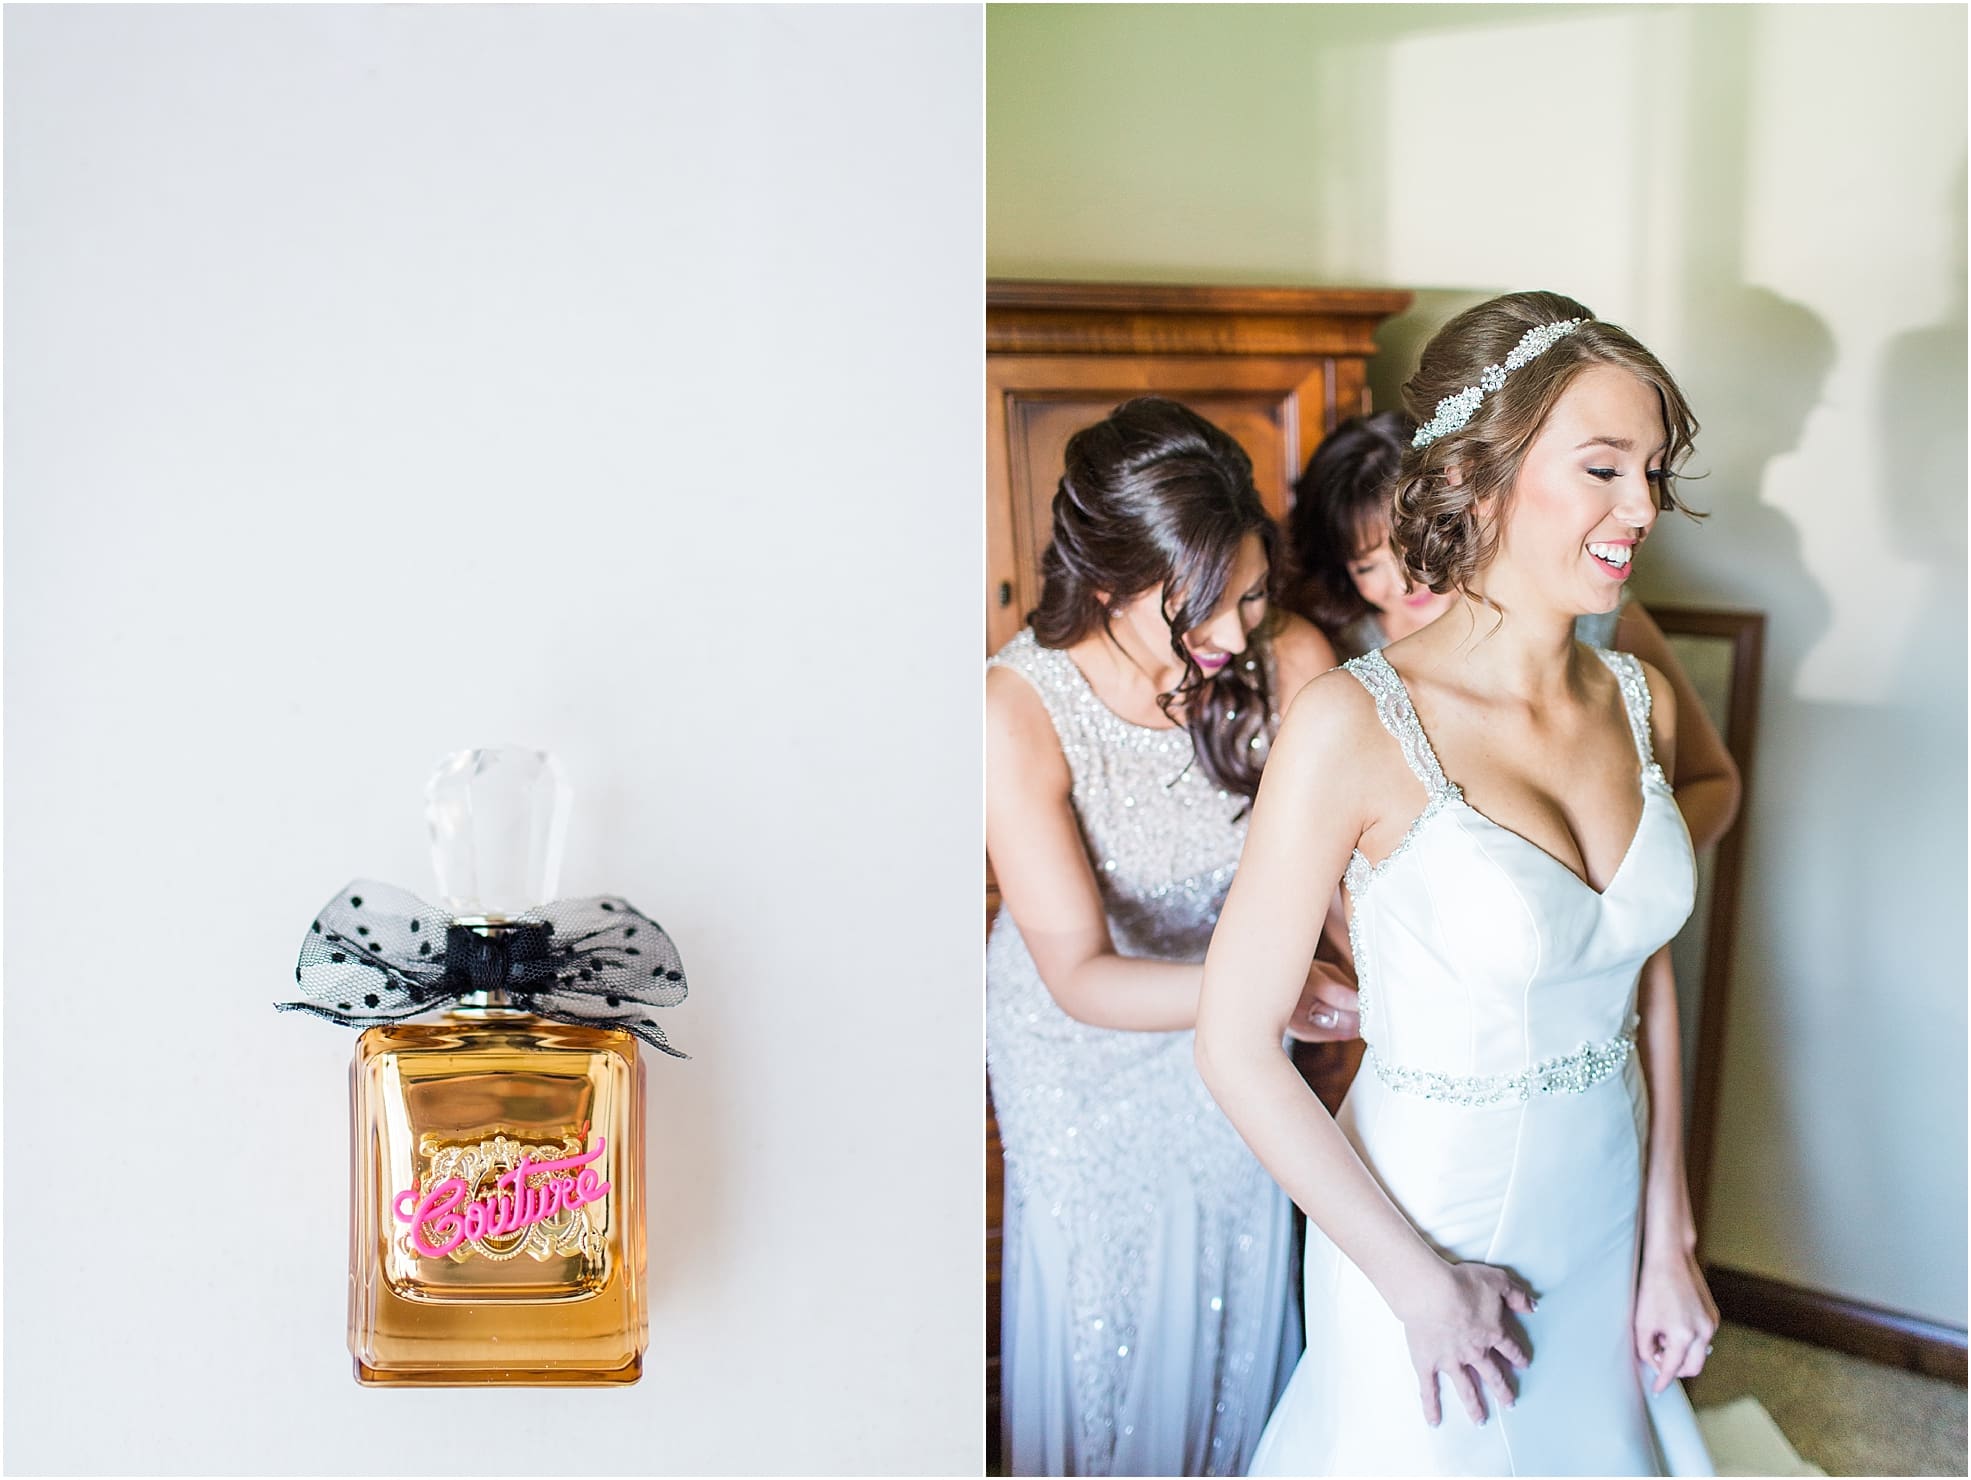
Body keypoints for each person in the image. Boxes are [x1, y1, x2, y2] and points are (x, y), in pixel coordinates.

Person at [1195, 293, 1720, 1475]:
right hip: (1425, 1230)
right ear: (1482, 476)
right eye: (1602, 468)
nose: (1641, 508)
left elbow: (1646, 978)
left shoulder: (1641, 699)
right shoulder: (1352, 727)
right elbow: (1233, 1046)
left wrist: (1668, 1235)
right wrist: (1416, 1287)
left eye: (1652, 470)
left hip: (1607, 1203)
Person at [985, 396, 1353, 1476]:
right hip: (1084, 1050)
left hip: (1233, 1036)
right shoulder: (1019, 706)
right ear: (1105, 584)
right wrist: (1268, 987)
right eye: (1200, 608)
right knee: (1107, 1316)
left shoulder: (1285, 657)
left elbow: (1347, 860)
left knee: (1236, 1282)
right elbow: (1081, 973)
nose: (1237, 633)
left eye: (1249, 593)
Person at [1286, 410, 1742, 852]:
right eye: (1366, 565)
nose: (1405, 580)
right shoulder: (1335, 662)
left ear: (1459, 513)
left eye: (1410, 546)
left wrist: (1640, 885)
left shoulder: (1596, 617)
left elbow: (1713, 782)